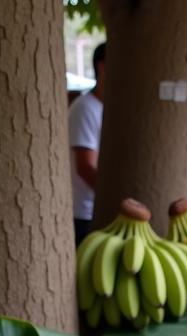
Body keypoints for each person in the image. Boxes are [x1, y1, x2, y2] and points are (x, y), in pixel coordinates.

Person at [69, 41, 105, 244]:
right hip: (85, 214)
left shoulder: (102, 107)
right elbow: (85, 167)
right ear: (102, 66)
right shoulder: (85, 108)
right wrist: (115, 198)